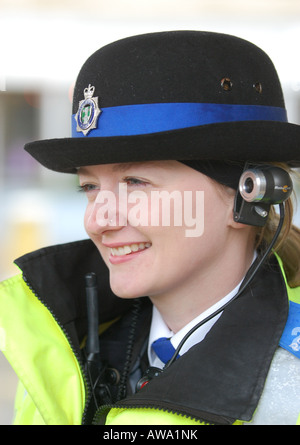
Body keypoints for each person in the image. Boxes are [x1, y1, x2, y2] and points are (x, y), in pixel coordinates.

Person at [0, 30, 300, 426]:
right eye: (89, 187)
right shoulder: (62, 351)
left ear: (250, 195)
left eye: (136, 183)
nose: (98, 220)